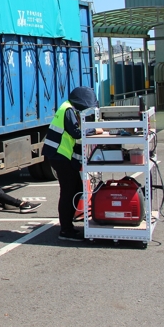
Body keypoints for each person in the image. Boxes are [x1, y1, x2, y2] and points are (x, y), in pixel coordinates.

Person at [41, 86, 102, 241]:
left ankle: (68, 222)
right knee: (68, 191)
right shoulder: (67, 110)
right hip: (58, 155)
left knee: (77, 188)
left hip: (61, 155)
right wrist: (95, 130)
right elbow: (75, 132)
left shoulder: (69, 108)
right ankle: (65, 229)